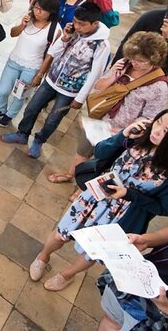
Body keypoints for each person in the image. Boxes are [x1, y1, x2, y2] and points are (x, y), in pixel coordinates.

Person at [28, 111, 168, 292]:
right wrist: (123, 135)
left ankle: (67, 275)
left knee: (91, 253)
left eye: (166, 131)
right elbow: (100, 151)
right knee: (61, 232)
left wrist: (129, 194)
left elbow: (163, 207)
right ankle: (43, 256)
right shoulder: (139, 136)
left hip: (123, 215)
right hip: (95, 196)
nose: (156, 132)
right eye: (158, 122)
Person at [48, 31, 168, 186]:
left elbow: (150, 118)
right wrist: (114, 76)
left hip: (123, 132)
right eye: (133, 58)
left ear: (154, 60)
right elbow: (99, 87)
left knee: (101, 161)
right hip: (100, 121)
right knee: (83, 150)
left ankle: (83, 188)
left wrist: (122, 131)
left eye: (140, 60)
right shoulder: (125, 64)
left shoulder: (160, 87)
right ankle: (70, 174)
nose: (134, 63)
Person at [1, 2, 111, 158]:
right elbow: (54, 52)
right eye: (76, 22)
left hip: (70, 90)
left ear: (95, 24)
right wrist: (65, 39)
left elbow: (95, 74)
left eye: (82, 24)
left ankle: (39, 140)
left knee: (53, 119)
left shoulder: (101, 45)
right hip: (51, 80)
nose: (77, 27)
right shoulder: (73, 31)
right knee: (32, 108)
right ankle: (22, 134)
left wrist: (80, 98)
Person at [0, 0, 62, 128]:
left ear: (51, 12)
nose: (37, 12)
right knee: (3, 90)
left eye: (41, 10)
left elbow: (50, 56)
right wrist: (22, 24)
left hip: (32, 66)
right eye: (36, 7)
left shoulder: (55, 29)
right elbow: (13, 33)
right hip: (14, 60)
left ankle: (9, 115)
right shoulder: (28, 17)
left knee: (20, 94)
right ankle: (0, 109)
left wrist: (40, 74)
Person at [97, 226, 168, 330]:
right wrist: (147, 240)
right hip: (131, 282)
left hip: (153, 316)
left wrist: (165, 309)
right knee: (112, 319)